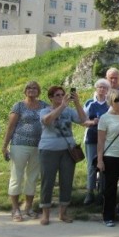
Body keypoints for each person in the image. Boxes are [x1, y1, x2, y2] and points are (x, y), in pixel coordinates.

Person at [38, 85, 87, 225]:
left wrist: (76, 102)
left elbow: (83, 120)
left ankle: (63, 213)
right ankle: (45, 214)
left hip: (67, 150)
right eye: (57, 95)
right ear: (51, 98)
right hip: (48, 150)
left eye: (62, 94)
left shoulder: (69, 110)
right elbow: (47, 121)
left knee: (66, 181)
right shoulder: (44, 111)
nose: (60, 97)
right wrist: (62, 106)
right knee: (48, 181)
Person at [1, 81, 48, 221]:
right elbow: (10, 127)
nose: (31, 90)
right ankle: (15, 209)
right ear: (25, 90)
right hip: (19, 145)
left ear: (38, 91)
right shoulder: (19, 106)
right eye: (28, 88)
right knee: (17, 176)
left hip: (38, 146)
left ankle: (28, 207)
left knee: (32, 178)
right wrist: (4, 146)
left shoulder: (44, 105)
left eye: (34, 88)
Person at [96, 89, 119, 227]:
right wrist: (99, 160)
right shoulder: (105, 118)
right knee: (110, 187)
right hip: (111, 156)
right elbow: (100, 141)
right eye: (117, 99)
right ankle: (108, 215)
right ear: (111, 101)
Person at [83, 78, 111, 205]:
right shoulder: (90, 103)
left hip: (106, 139)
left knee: (104, 165)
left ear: (107, 90)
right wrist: (93, 122)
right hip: (92, 137)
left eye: (104, 87)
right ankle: (90, 191)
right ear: (96, 88)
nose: (102, 89)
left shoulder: (109, 104)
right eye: (100, 87)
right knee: (91, 166)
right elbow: (82, 120)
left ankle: (102, 192)